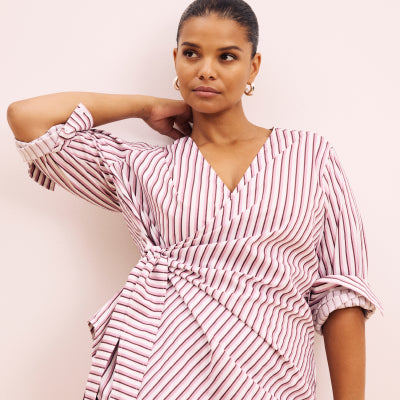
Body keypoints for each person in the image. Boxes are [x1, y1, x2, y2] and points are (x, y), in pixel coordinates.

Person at [7, 0, 382, 399]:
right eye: (191, 54)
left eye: (226, 57)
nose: (206, 69)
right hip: (161, 377)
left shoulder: (310, 157)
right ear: (176, 60)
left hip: (275, 380)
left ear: (253, 67)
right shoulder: (142, 167)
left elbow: (342, 294)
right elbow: (27, 119)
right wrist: (145, 106)